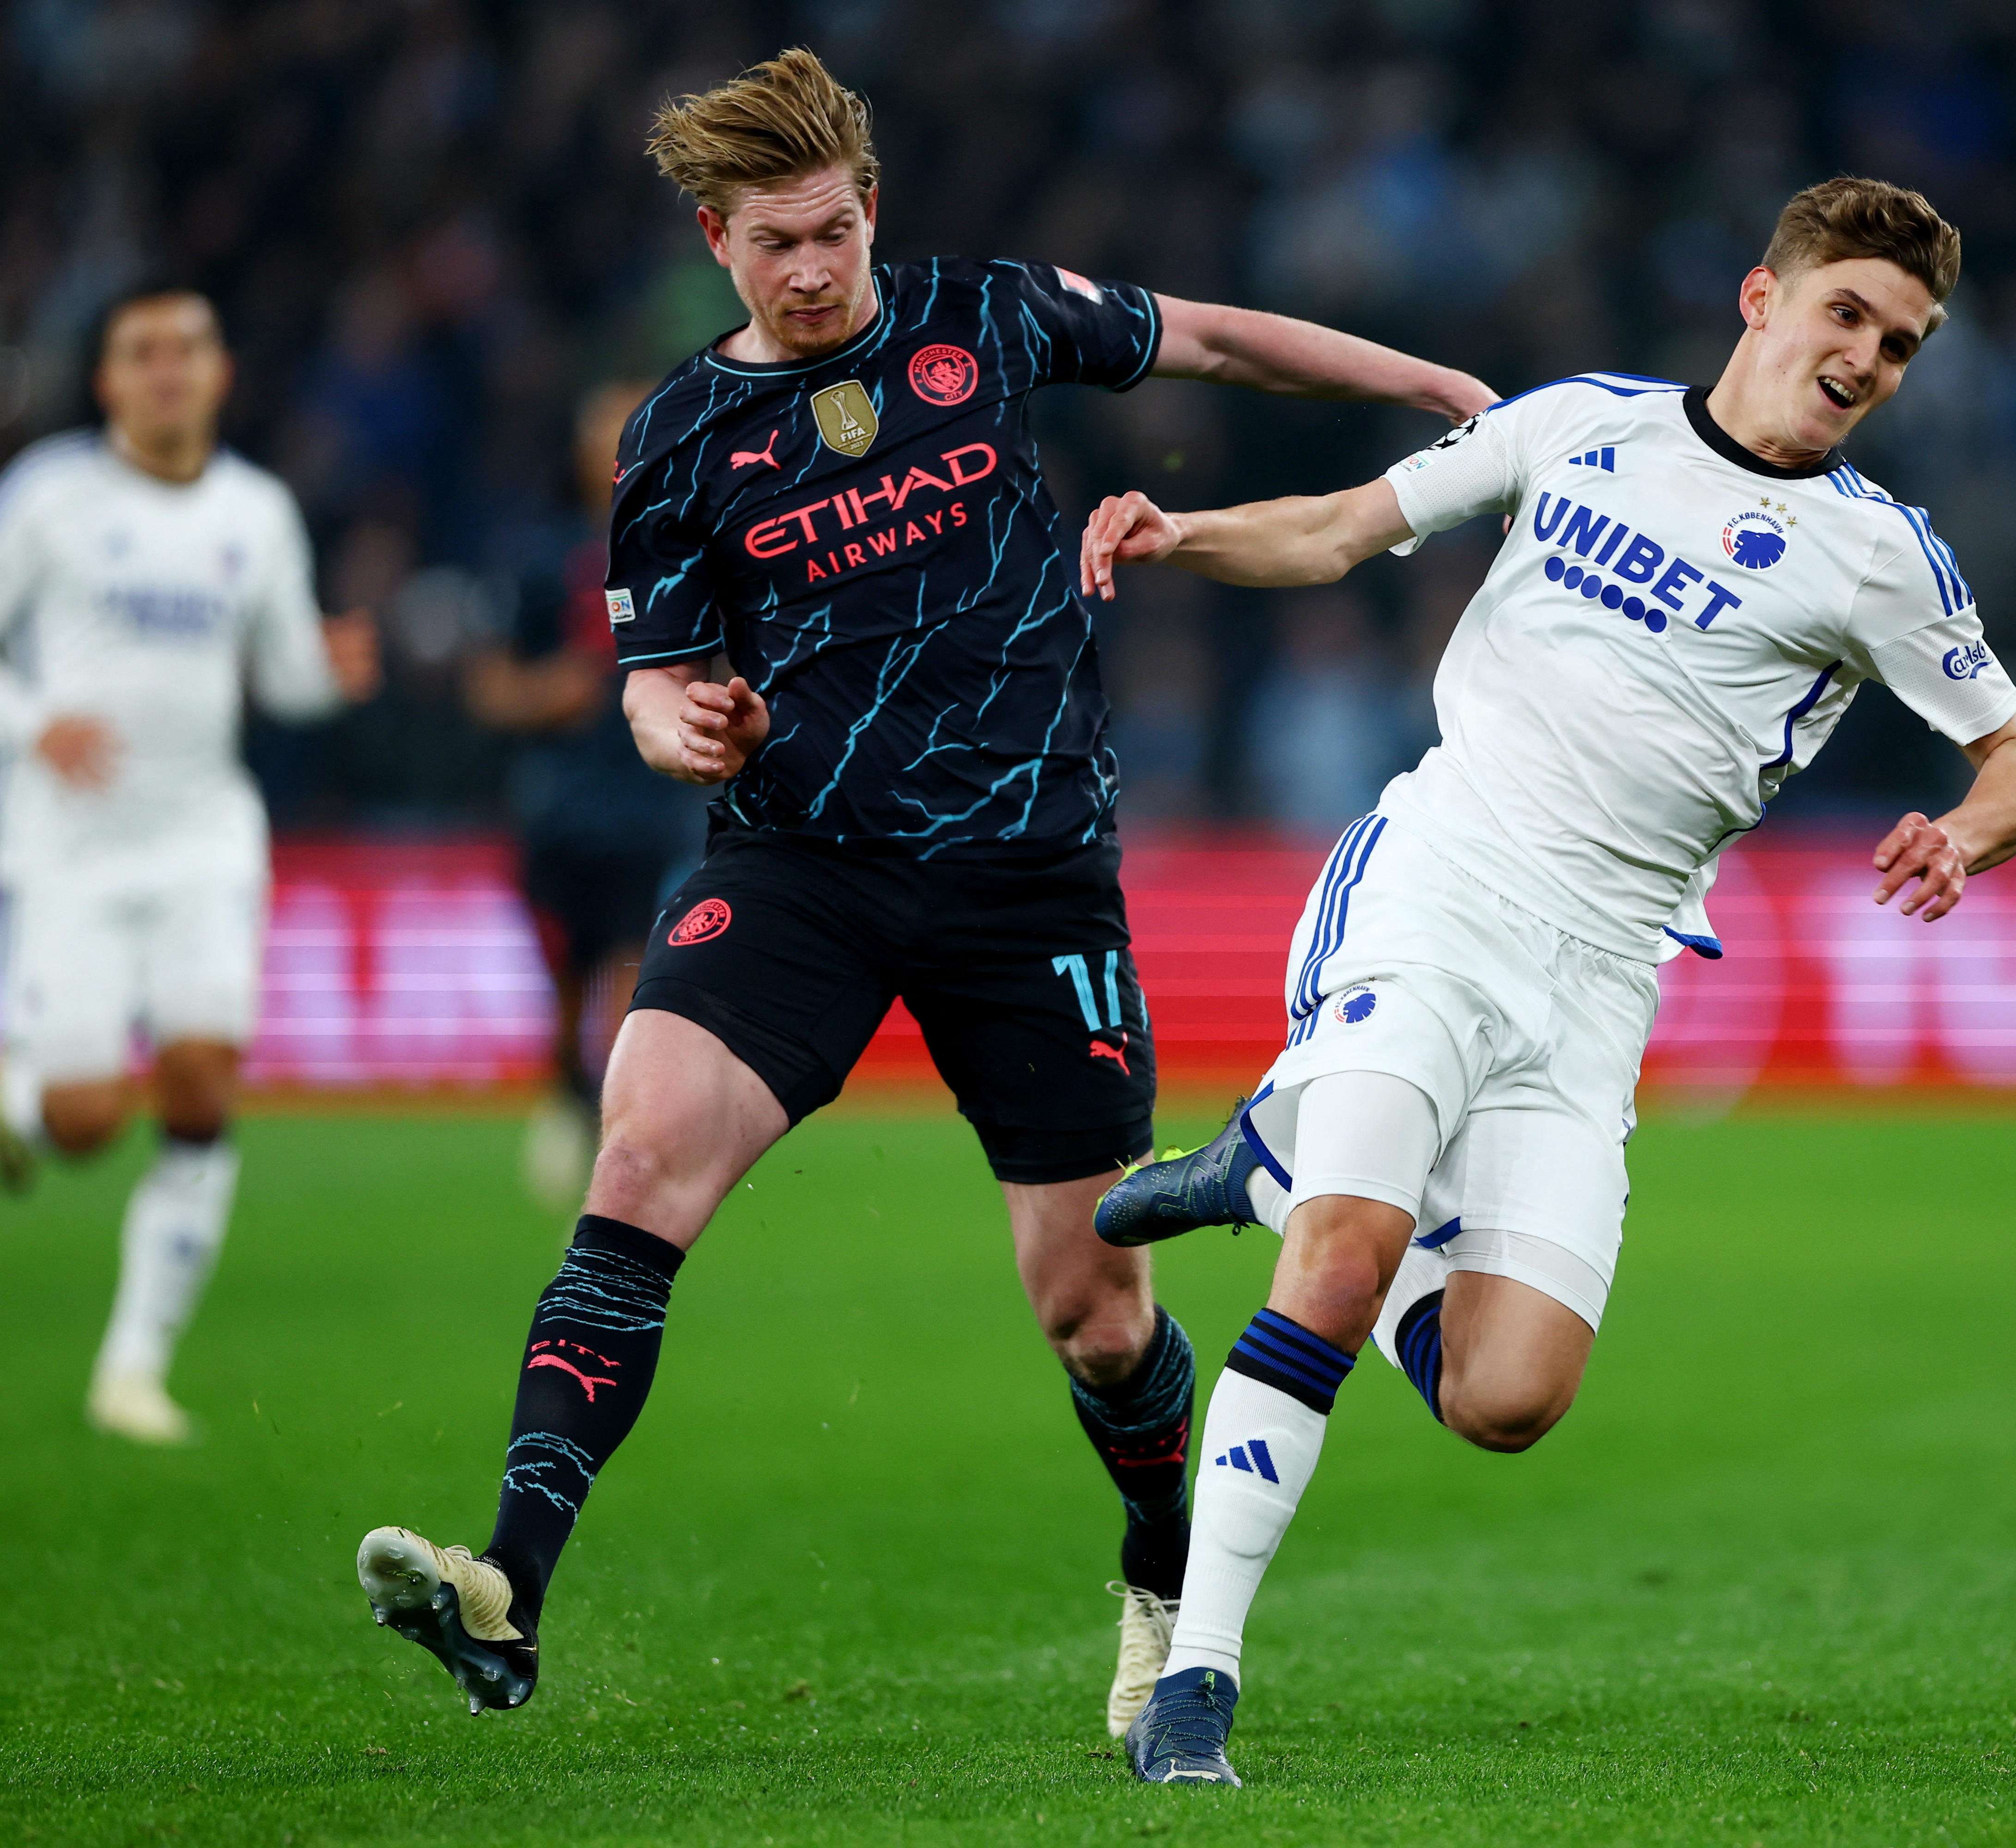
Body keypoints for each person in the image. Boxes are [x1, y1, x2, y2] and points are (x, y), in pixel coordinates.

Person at [353, 48, 1494, 1734]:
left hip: (1028, 883)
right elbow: (654, 679)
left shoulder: (993, 316)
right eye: (772, 245)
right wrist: (689, 729)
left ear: (869, 208)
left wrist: (1428, 389)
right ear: (716, 239)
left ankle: (1164, 1565)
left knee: (1097, 1316)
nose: (810, 272)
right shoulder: (677, 434)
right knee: (643, 1157)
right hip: (799, 866)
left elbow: (1220, 338)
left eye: (831, 232)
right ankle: (510, 1586)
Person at [1078, 175, 2016, 1784]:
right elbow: (1345, 527)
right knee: (1345, 1261)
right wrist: (1183, 533)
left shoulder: (1884, 559)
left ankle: (1268, 1162)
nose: (1871, 355)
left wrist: (1966, 836)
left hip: (1607, 975)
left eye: (1903, 342)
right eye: (1848, 314)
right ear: (1764, 298)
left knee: (1509, 1397)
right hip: (1441, 885)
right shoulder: (1575, 427)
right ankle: (1195, 1686)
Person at [0, 284, 379, 1444]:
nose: (167, 369)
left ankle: (133, 1369)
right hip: (67, 846)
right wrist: (33, 725)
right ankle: (23, 1095)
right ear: (108, 379)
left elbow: (281, 676)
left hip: (207, 834)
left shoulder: (256, 512)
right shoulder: (49, 497)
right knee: (82, 1121)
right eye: (142, 352)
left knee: (203, 1084)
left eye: (188, 349)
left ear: (220, 374)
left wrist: (332, 668)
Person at [462, 380, 708, 1204]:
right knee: (570, 969)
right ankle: (569, 1089)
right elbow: (489, 684)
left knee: (632, 965)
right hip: (560, 801)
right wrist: (544, 696)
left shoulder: (691, 547)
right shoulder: (538, 556)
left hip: (651, 797)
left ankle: (612, 1117)